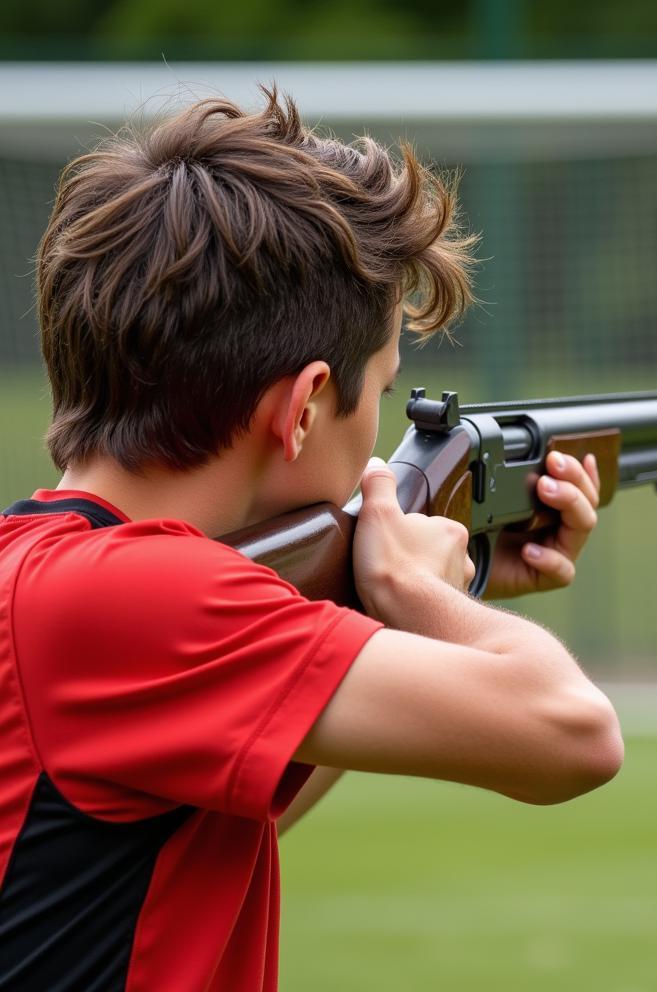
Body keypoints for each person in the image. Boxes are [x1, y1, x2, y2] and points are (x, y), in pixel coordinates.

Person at [0, 86, 623, 990]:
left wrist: (431, 607)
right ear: (300, 412)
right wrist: (419, 595)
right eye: (380, 392)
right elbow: (573, 735)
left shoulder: (50, 575)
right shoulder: (133, 597)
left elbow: (203, 833)